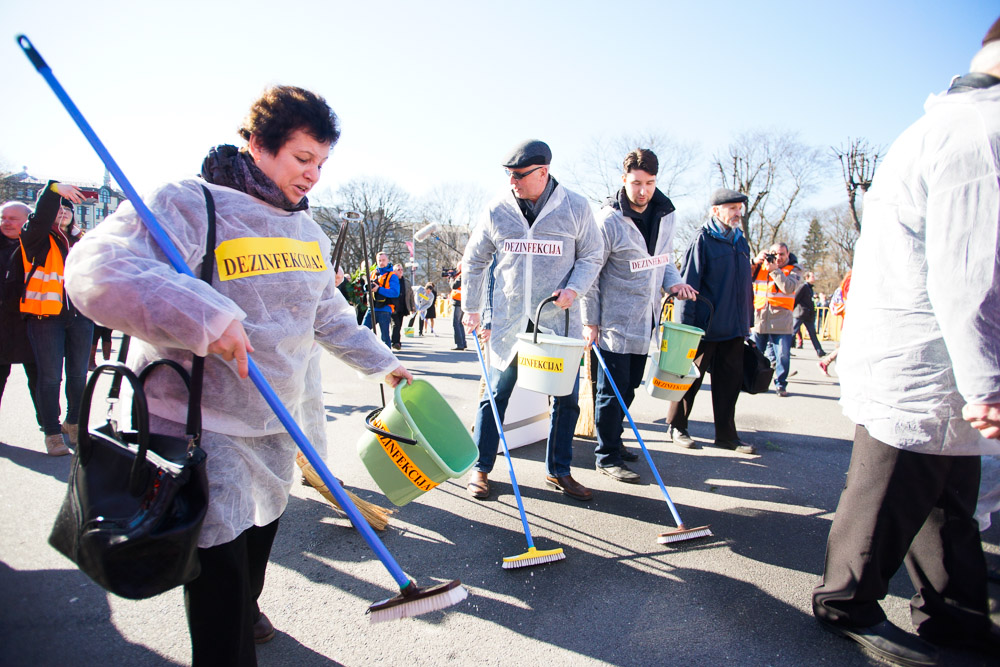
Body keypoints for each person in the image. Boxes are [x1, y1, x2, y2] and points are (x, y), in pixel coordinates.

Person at [64, 85, 410, 667]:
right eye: (303, 159)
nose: (314, 177)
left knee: (253, 550)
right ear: (257, 144)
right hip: (202, 423)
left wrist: (386, 363)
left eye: (322, 163)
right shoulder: (189, 203)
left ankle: (245, 607)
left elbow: (328, 316)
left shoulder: (309, 233)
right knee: (219, 577)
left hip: (277, 422)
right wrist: (203, 314)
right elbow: (98, 270)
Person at [812, 21, 1000, 667]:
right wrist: (988, 383)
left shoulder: (951, 124)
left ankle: (955, 614)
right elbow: (969, 273)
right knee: (884, 497)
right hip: (924, 361)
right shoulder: (978, 132)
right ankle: (843, 602)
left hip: (933, 362)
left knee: (944, 501)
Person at [462, 139, 603, 501]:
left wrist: (574, 289)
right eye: (509, 176)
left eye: (520, 175)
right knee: (495, 394)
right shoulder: (497, 209)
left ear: (543, 172)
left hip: (556, 321)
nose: (513, 183)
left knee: (566, 398)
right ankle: (480, 468)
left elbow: (592, 255)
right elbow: (475, 259)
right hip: (510, 321)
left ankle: (559, 470)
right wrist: (471, 307)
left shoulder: (575, 207)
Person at [581, 149, 696, 484]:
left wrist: (675, 285)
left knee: (629, 387)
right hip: (613, 323)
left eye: (649, 183)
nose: (642, 190)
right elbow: (591, 272)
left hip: (646, 321)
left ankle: (613, 440)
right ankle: (606, 456)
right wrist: (591, 321)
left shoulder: (666, 214)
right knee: (611, 391)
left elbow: (665, 259)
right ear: (623, 180)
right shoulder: (608, 221)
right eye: (635, 183)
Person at [667, 189, 755, 454]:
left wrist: (746, 323)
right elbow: (688, 284)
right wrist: (685, 327)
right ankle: (677, 427)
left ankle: (727, 436)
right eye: (732, 208)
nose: (737, 213)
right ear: (716, 211)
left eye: (739, 208)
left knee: (730, 384)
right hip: (704, 328)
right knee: (688, 380)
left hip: (734, 328)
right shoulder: (703, 239)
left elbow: (744, 286)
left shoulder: (740, 240)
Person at [19, 182, 92, 456]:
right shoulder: (36, 237)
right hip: (45, 317)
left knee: (78, 375)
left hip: (81, 317)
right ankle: (51, 433)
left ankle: (73, 423)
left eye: (67, 209)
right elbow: (40, 217)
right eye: (58, 208)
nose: (62, 212)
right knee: (50, 378)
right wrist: (52, 191)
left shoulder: (82, 240)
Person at [0, 201, 43, 435]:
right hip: (2, 323)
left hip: (32, 323)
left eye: (12, 218)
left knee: (39, 377)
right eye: (3, 217)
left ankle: (49, 425)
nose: (6, 222)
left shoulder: (38, 247)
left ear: (28, 221)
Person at [749, 243, 802, 397]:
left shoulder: (794, 269)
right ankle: (754, 381)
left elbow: (788, 287)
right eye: (774, 254)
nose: (777, 258)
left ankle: (780, 384)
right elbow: (741, 274)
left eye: (781, 254)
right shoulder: (760, 267)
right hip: (760, 318)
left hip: (781, 320)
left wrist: (775, 271)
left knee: (782, 355)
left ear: (788, 254)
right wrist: (754, 261)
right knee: (755, 354)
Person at [361, 251, 399, 347]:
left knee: (385, 336)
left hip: (384, 309)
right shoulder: (373, 273)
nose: (381, 262)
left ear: (388, 261)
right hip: (372, 307)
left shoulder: (392, 276)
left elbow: (395, 293)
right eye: (379, 260)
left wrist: (379, 289)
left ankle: (387, 356)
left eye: (383, 260)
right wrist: (367, 287)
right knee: (362, 331)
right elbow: (367, 287)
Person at [793, 271, 825, 357]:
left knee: (812, 333)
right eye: (812, 277)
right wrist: (792, 310)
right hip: (801, 313)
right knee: (793, 332)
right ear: (807, 278)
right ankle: (785, 349)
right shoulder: (803, 287)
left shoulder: (810, 288)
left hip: (808, 315)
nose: (814, 278)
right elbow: (796, 298)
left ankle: (819, 350)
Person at [388, 263, 414, 350]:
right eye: (398, 270)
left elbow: (410, 295)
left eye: (401, 269)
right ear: (394, 271)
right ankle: (395, 342)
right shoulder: (391, 280)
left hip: (402, 306)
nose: (400, 271)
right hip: (393, 306)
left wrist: (412, 306)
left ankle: (396, 341)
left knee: (399, 325)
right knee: (396, 324)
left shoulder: (406, 282)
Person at [449, 267, 466, 350]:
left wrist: (451, 278)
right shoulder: (466, 274)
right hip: (462, 301)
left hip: (458, 301)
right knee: (460, 323)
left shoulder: (462, 275)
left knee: (456, 323)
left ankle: (459, 344)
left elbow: (454, 286)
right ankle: (463, 343)